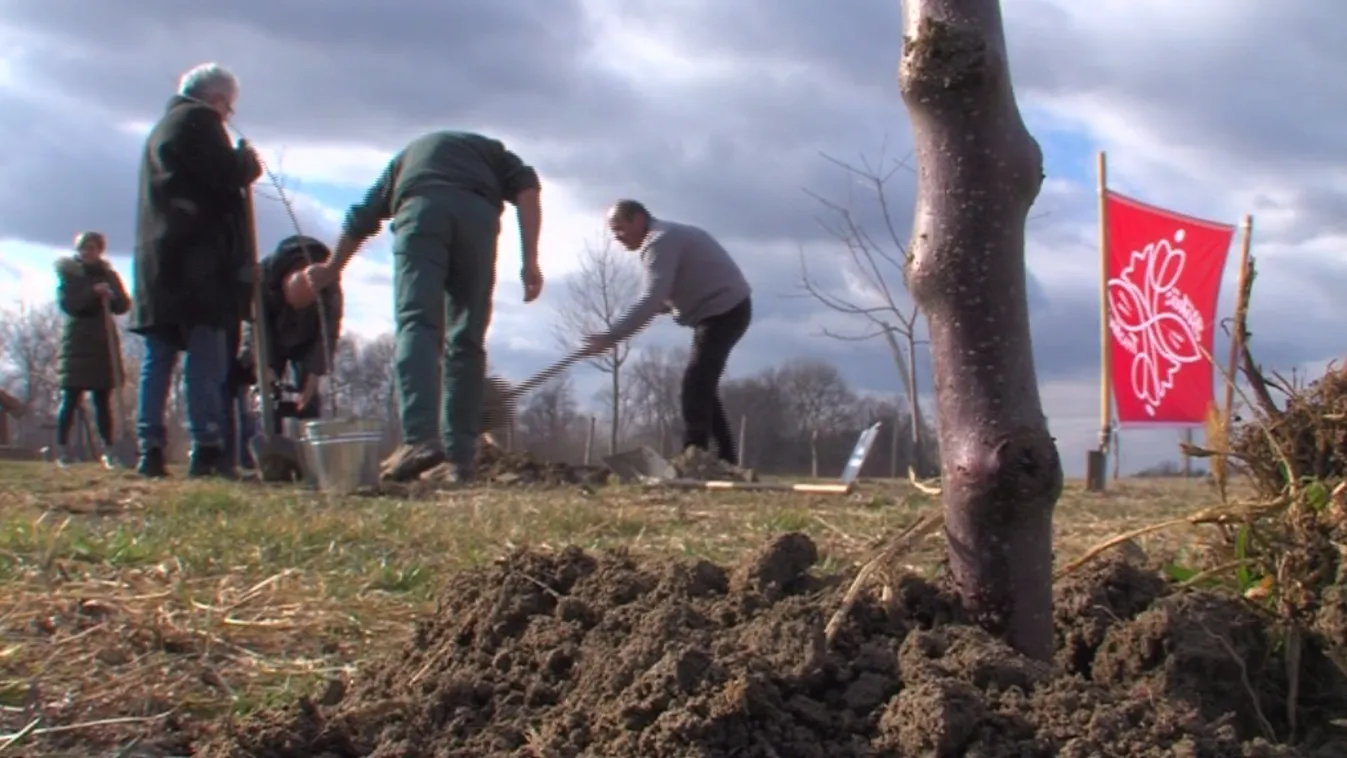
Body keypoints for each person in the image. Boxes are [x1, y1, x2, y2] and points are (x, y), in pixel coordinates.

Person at [306, 130, 545, 484]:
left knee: (417, 323)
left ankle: (418, 439)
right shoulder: (496, 154)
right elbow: (528, 190)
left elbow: (361, 217)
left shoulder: (406, 159)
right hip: (476, 219)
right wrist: (530, 261)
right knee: (467, 336)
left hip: (421, 211)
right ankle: (460, 458)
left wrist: (332, 268)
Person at [128, 62, 261, 479]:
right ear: (216, 99)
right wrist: (246, 164)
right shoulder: (200, 122)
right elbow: (225, 176)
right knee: (206, 358)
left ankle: (150, 446)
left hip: (159, 262)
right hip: (199, 267)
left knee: (159, 356)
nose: (228, 115)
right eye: (229, 107)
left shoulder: (162, 129)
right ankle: (207, 445)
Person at [581, 200, 752, 465]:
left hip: (725, 311)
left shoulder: (659, 241)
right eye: (613, 231)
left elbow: (651, 298)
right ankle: (726, 460)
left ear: (639, 219)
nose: (617, 237)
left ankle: (694, 455)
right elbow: (671, 288)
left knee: (695, 383)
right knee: (702, 385)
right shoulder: (667, 236)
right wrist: (668, 303)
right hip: (725, 309)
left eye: (620, 228)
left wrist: (610, 336)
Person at [229, 234, 344, 469]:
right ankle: (265, 454)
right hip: (270, 336)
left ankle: (311, 457)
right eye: (293, 304)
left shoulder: (329, 288)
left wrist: (314, 375)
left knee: (310, 398)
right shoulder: (263, 278)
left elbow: (328, 336)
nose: (296, 309)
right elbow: (253, 327)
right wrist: (263, 365)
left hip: (307, 340)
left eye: (303, 305)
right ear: (284, 287)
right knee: (267, 396)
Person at [53, 232, 131, 468]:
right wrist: (92, 293)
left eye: (93, 248)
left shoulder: (108, 275)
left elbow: (123, 305)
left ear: (100, 251)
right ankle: (62, 449)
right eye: (85, 248)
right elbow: (70, 305)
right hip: (77, 345)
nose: (89, 252)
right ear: (78, 251)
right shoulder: (70, 276)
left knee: (102, 400)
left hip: (102, 344)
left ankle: (109, 450)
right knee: (71, 398)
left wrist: (112, 295)